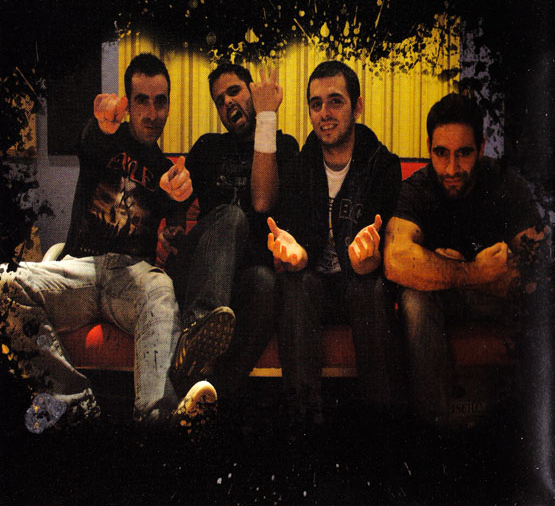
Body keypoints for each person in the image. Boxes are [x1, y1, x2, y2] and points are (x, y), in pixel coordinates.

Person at [0, 53, 208, 433]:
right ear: (128, 104)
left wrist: (181, 200)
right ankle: (74, 403)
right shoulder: (105, 137)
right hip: (80, 269)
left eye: (160, 101)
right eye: (141, 100)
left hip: (132, 279)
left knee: (162, 289)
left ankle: (156, 421)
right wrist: (102, 124)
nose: (152, 113)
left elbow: (176, 227)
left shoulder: (168, 171)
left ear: (169, 104)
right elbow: (91, 143)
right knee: (3, 282)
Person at [383, 92, 545, 426]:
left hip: (497, 297)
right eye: (441, 153)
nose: (451, 168)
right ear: (429, 147)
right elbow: (396, 260)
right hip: (447, 299)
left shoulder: (506, 184)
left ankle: (529, 426)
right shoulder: (417, 188)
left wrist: (448, 269)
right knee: (414, 298)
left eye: (464, 153)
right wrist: (475, 272)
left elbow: (540, 266)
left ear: (481, 148)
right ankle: (435, 429)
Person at [266, 60, 404, 432]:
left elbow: (387, 251)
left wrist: (368, 262)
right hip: (315, 284)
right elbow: (297, 246)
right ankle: (303, 425)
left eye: (335, 101)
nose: (324, 113)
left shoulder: (383, 166)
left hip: (360, 282)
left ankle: (383, 429)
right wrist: (297, 257)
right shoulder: (300, 166)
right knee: (295, 285)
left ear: (357, 107)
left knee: (370, 290)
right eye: (316, 104)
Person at [161, 64, 299, 408]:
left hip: (244, 281)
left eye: (234, 91)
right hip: (198, 279)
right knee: (231, 216)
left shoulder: (285, 147)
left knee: (266, 283)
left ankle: (208, 399)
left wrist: (266, 118)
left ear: (253, 90)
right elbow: (177, 207)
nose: (227, 103)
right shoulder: (208, 147)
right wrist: (174, 220)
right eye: (219, 100)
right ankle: (197, 330)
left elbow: (263, 201)